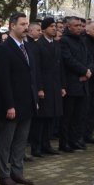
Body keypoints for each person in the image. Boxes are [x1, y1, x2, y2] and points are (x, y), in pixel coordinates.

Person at [0, 12, 36, 185]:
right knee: (6, 142)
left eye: (27, 24)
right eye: (22, 24)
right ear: (12, 26)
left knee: (21, 141)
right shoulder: (4, 49)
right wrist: (9, 105)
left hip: (27, 102)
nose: (26, 27)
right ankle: (4, 174)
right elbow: (3, 80)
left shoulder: (26, 47)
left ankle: (17, 172)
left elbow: (31, 75)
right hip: (11, 104)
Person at [58, 17, 92, 152]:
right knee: (68, 116)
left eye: (80, 25)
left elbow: (89, 58)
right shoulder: (64, 41)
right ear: (69, 26)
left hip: (84, 83)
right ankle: (64, 142)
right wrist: (84, 71)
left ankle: (75, 140)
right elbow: (68, 59)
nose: (79, 28)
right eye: (76, 25)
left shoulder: (82, 40)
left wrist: (89, 70)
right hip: (72, 82)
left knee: (80, 115)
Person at [32, 17, 63, 156]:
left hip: (55, 86)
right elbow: (37, 69)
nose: (54, 28)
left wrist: (62, 86)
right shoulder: (38, 45)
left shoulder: (56, 44)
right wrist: (39, 88)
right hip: (44, 86)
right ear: (44, 29)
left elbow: (59, 67)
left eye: (55, 26)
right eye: (51, 26)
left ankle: (47, 144)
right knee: (41, 119)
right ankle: (36, 146)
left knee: (51, 116)